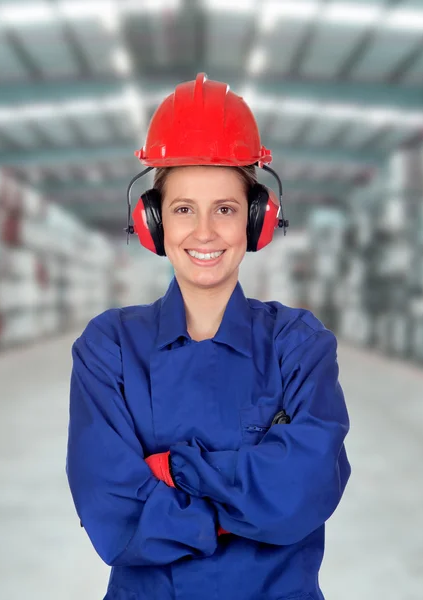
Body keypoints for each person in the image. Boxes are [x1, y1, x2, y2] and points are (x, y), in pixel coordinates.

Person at [66, 73, 351, 600]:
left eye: (225, 209)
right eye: (182, 210)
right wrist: (250, 494)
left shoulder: (300, 345)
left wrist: (173, 470)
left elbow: (307, 489)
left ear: (257, 220)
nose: (204, 232)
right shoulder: (108, 348)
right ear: (153, 222)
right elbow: (113, 517)